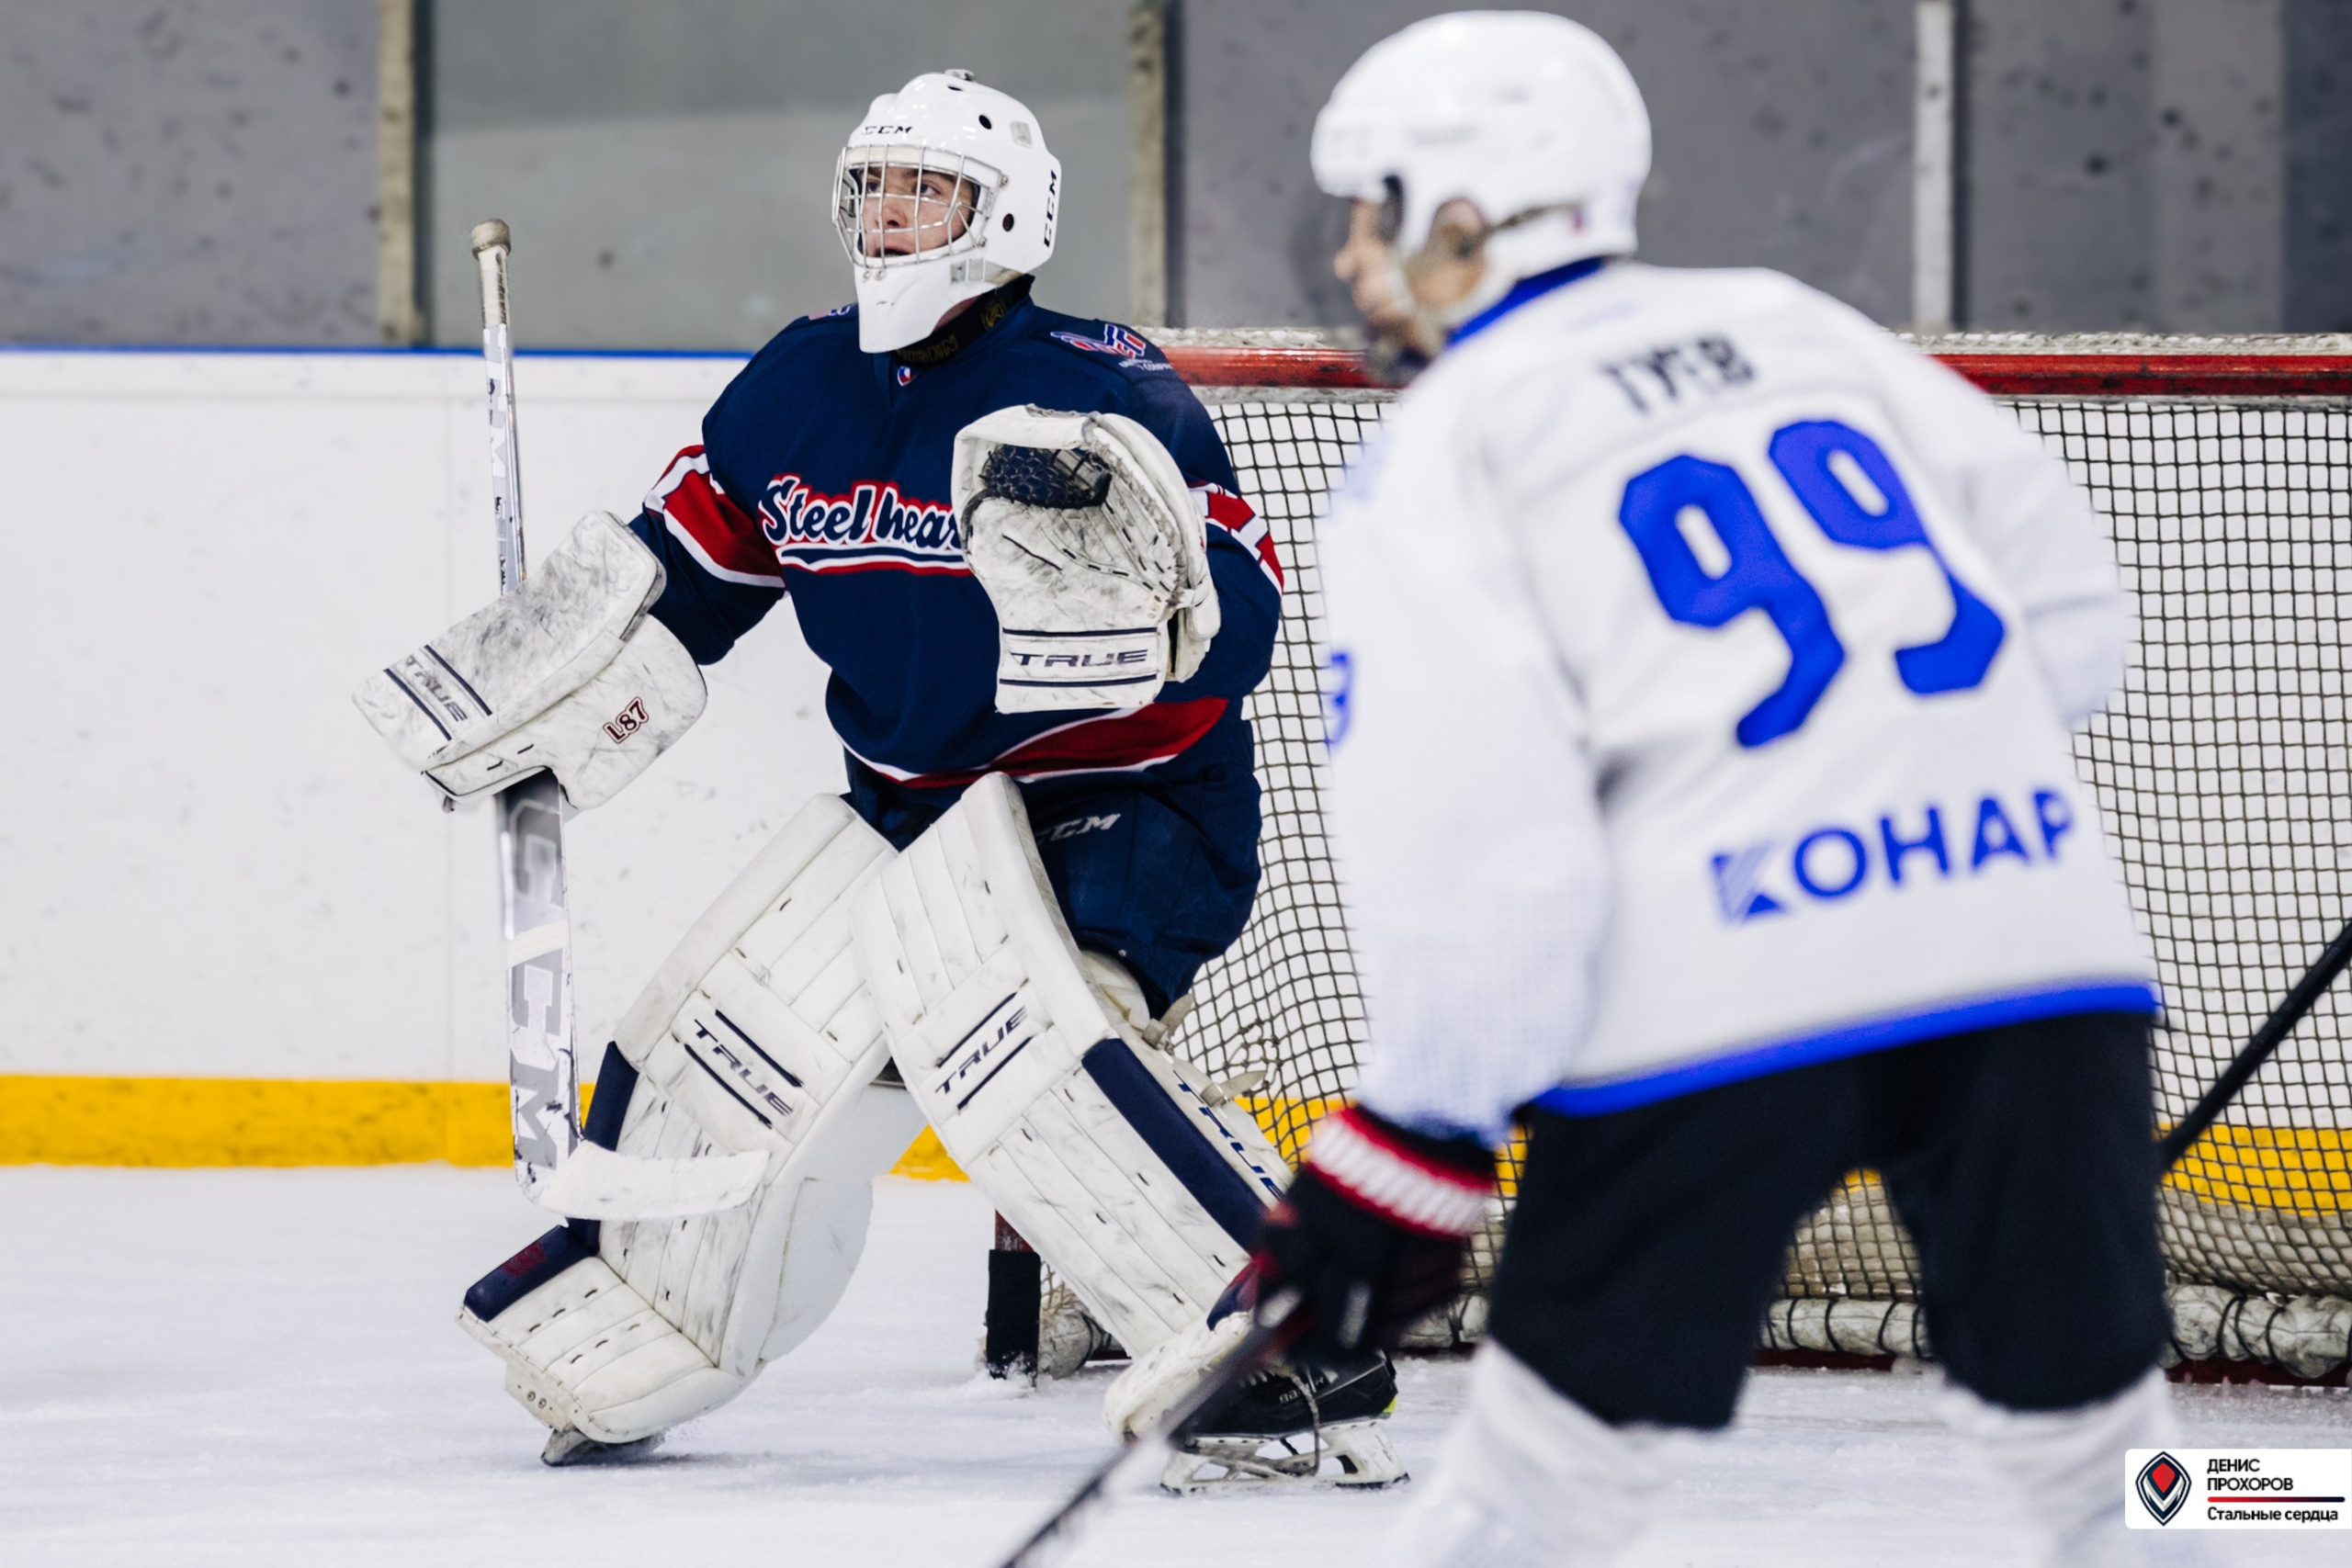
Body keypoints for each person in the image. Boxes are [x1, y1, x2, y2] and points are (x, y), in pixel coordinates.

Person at [1245, 13, 2198, 1563]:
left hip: (1722, 997)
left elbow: (1489, 852)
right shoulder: (1794, 324)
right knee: (2103, 1459)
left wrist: (1414, 1140)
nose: (1352, 262)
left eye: (1373, 215)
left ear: (1464, 216)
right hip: (2035, 953)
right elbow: (2075, 608)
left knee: (1546, 1484)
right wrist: (1899, 791)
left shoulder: (1446, 451)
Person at [355, 70, 1397, 1483]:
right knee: (721, 1045)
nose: (895, 217)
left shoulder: (1100, 386)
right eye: (878, 187)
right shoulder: (800, 384)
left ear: (1010, 215)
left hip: (1123, 806)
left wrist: (1140, 596)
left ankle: (1292, 1334)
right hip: (912, 816)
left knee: (1036, 1042)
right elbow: (690, 579)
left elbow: (1246, 623)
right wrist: (568, 664)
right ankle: (652, 1305)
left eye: (931, 190)